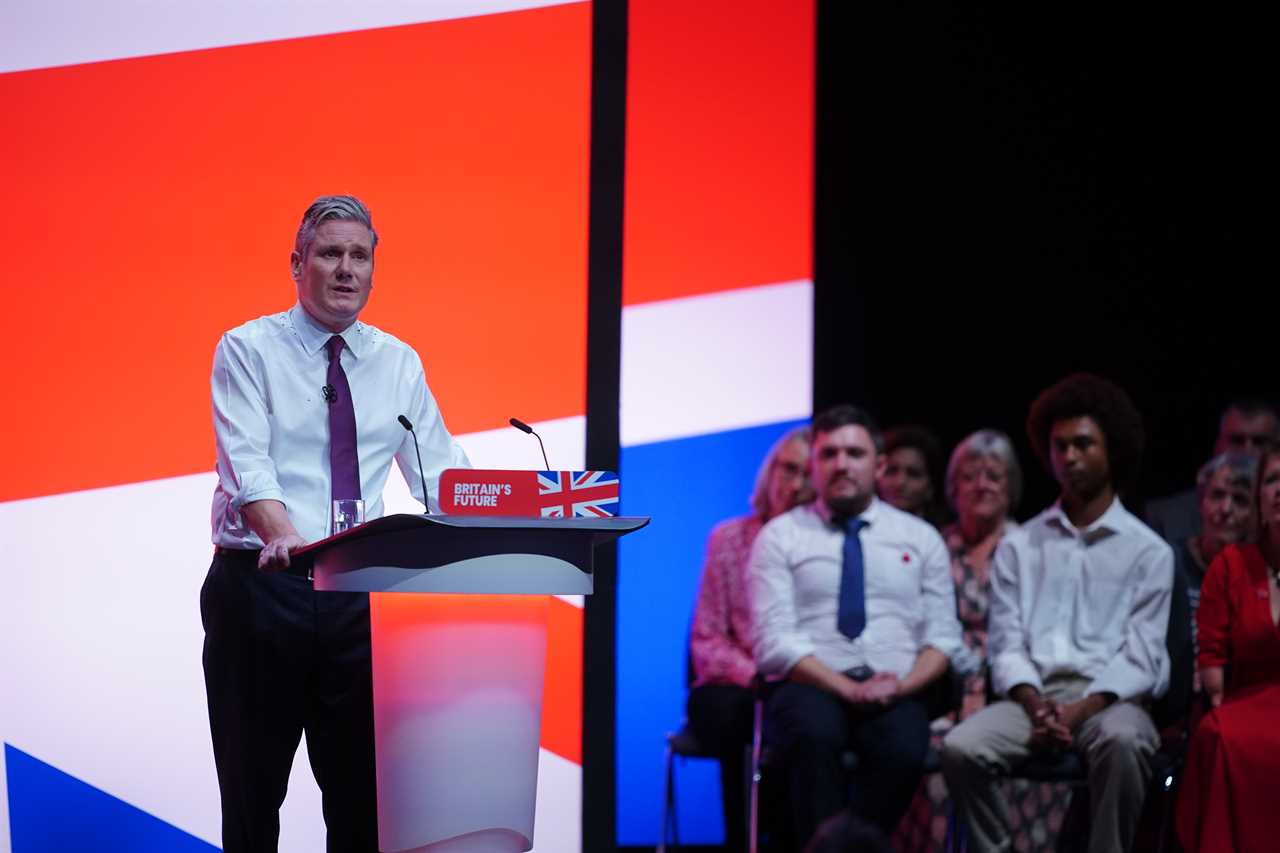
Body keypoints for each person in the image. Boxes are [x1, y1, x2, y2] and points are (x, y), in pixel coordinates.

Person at [203, 195, 470, 852]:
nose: (346, 268)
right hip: (262, 589)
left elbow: (443, 476)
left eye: (360, 255)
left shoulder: (398, 361)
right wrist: (281, 536)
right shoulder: (247, 349)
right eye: (330, 253)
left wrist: (519, 509)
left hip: (359, 596)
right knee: (252, 800)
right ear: (297, 264)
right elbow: (248, 470)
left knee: (363, 807)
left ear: (374, 269)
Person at [941, 373, 1174, 853]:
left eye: (1083, 444)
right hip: (1034, 702)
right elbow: (1006, 643)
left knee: (1125, 744)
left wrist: (1080, 709)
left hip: (1109, 703)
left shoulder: (1147, 551)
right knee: (962, 748)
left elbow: (1143, 656)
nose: (1068, 457)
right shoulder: (1021, 544)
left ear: (1113, 449)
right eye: (1059, 445)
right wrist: (1036, 704)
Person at [751, 404, 963, 846]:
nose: (841, 464)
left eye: (854, 453)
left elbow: (943, 638)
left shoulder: (920, 538)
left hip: (895, 685)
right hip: (811, 683)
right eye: (828, 454)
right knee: (812, 737)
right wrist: (846, 689)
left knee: (904, 747)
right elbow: (773, 644)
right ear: (813, 465)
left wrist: (900, 687)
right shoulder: (781, 536)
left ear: (878, 464)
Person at [895, 430, 1069, 852]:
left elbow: (1036, 634)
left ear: (1011, 488)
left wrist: (987, 689)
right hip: (941, 683)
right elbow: (919, 626)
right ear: (952, 489)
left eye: (994, 476)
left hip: (1016, 685)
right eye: (970, 476)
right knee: (926, 746)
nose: (981, 485)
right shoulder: (932, 546)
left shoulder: (1032, 548)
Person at [686, 425, 812, 852]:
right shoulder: (729, 539)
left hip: (806, 682)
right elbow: (706, 639)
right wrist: (758, 676)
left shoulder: (825, 547)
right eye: (787, 469)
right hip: (741, 685)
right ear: (769, 472)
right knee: (738, 716)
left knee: (802, 719)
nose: (795, 484)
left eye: (806, 474)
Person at [1176, 447, 1280, 852]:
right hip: (1240, 702)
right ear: (1261, 497)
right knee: (1218, 736)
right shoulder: (1232, 565)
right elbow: (1212, 662)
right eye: (1272, 480)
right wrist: (1219, 702)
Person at [1145, 399, 1278, 544]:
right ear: (1218, 445)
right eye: (1237, 440)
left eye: (1260, 442)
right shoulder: (1166, 518)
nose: (1248, 451)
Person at [876, 424, 948, 528]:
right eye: (891, 471)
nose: (900, 482)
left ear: (930, 488)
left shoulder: (943, 540)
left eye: (913, 474)